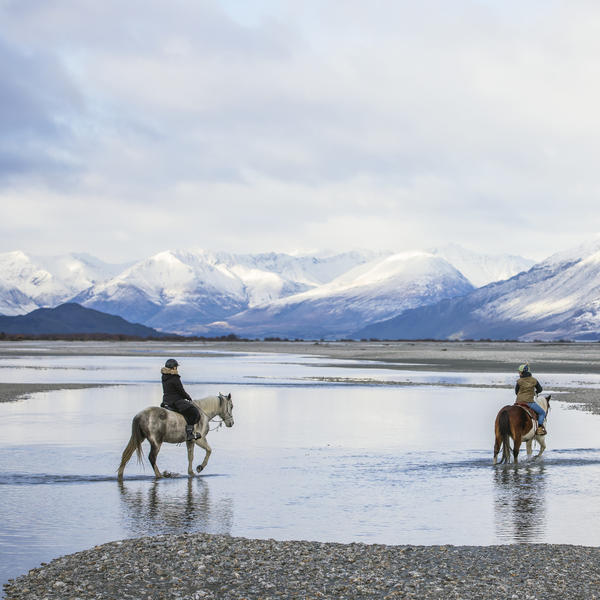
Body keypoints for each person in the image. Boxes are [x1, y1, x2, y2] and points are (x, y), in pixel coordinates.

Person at [161, 358, 201, 441]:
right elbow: (181, 391)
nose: (177, 368)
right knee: (194, 412)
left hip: (166, 401)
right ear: (174, 368)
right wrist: (188, 397)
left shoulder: (164, 376)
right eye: (176, 367)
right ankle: (190, 434)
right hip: (175, 401)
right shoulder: (175, 378)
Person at [515, 363, 546, 435]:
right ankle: (539, 429)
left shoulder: (519, 381)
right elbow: (540, 389)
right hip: (529, 402)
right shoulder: (534, 380)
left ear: (523, 372)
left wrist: (521, 395)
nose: (519, 373)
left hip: (518, 402)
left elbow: (516, 392)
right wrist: (535, 392)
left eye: (519, 372)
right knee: (542, 413)